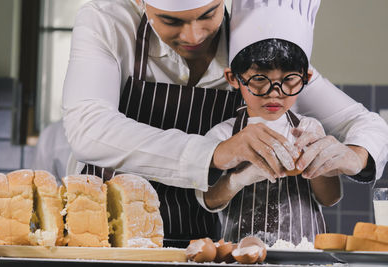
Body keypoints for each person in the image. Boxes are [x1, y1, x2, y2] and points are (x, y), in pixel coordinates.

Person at [62, 0, 388, 245]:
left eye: (208, 14)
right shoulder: (109, 22)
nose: (195, 35)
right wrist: (218, 152)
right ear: (140, 3)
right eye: (171, 20)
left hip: (200, 241)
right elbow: (88, 127)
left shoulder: (252, 49)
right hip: (104, 233)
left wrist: (355, 156)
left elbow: (365, 122)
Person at [195, 0, 341, 245]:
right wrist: (238, 179)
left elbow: (330, 198)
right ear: (233, 78)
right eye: (260, 79)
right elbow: (209, 200)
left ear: (306, 78)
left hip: (305, 258)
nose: (275, 93)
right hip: (241, 256)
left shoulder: (308, 130)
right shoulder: (223, 135)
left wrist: (318, 161)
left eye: (290, 80)